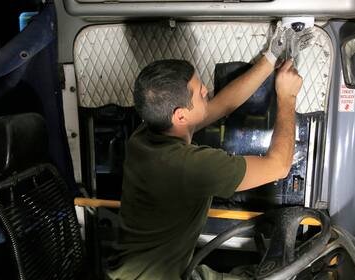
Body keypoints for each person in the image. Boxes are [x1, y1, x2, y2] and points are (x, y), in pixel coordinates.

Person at [107, 24, 304, 280]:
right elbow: (279, 166)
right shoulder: (188, 166)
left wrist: (271, 57)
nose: (206, 92)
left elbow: (222, 105)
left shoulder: (146, 135)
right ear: (180, 116)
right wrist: (287, 97)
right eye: (200, 92)